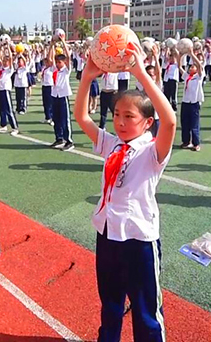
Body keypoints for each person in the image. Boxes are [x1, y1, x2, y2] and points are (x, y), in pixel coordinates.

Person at [74, 43, 176, 342]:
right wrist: (86, 79)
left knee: (146, 309)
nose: (120, 122)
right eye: (117, 114)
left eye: (129, 116)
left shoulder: (152, 151)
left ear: (147, 122)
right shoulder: (113, 144)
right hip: (108, 232)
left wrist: (140, 73)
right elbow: (82, 118)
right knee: (110, 302)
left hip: (138, 238)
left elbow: (170, 120)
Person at [49, 34, 74, 151]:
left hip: (63, 96)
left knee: (65, 118)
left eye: (60, 62)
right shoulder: (55, 70)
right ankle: (59, 138)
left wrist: (63, 42)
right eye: (57, 62)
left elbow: (68, 56)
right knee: (56, 118)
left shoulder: (66, 70)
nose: (58, 64)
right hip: (55, 95)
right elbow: (50, 58)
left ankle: (69, 141)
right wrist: (52, 45)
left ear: (63, 62)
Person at [179, 48, 204, 151]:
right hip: (185, 102)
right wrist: (181, 55)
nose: (191, 68)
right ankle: (186, 141)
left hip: (194, 103)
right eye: (190, 67)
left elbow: (200, 66)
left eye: (193, 67)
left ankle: (196, 143)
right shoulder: (187, 76)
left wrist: (192, 54)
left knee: (194, 124)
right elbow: (179, 66)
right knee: (184, 123)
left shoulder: (198, 77)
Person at [0, 45, 19, 135]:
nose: (4, 62)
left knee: (9, 109)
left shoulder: (10, 70)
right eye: (4, 61)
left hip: (6, 90)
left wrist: (8, 46)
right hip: (0, 89)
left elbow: (11, 59)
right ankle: (3, 125)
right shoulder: (1, 69)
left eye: (6, 61)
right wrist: (1, 47)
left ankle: (15, 127)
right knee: (2, 109)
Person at [40, 57, 55, 125]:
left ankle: (52, 118)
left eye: (47, 62)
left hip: (50, 86)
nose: (45, 63)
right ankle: (47, 117)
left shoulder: (52, 68)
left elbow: (51, 57)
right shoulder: (44, 68)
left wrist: (51, 47)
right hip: (44, 86)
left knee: (50, 103)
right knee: (45, 102)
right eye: (45, 62)